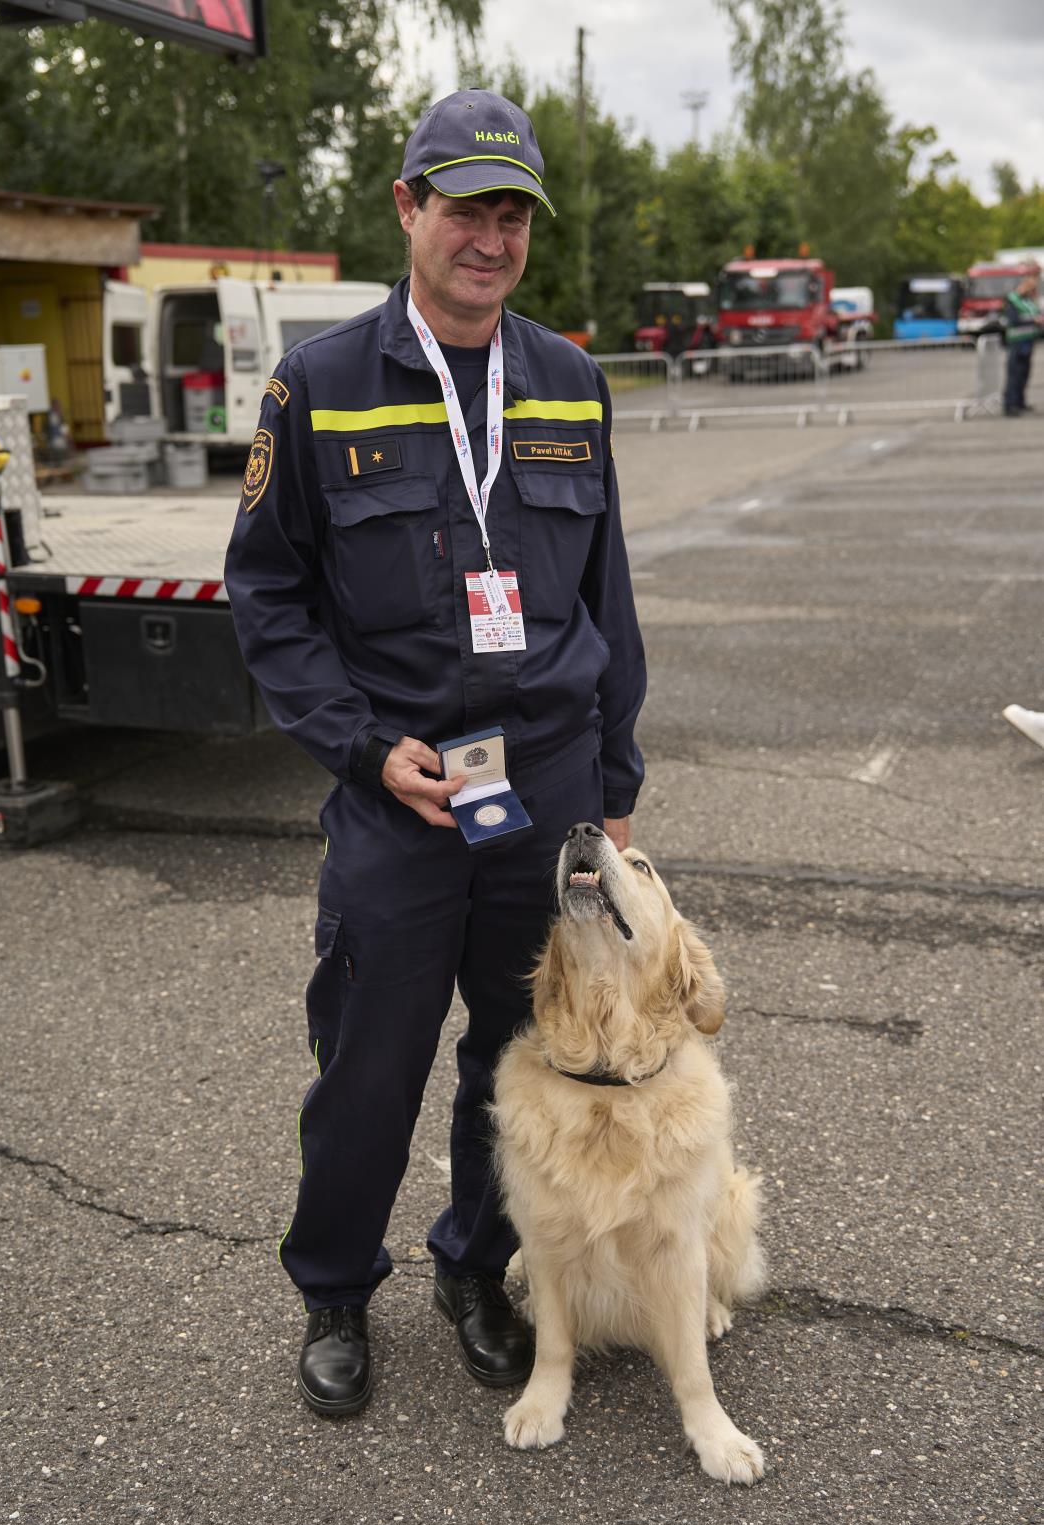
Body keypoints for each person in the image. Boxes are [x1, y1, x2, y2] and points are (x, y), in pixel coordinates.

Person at [224, 88, 646, 1417]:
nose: (489, 236)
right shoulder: (319, 387)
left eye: (511, 212)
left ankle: (476, 1265)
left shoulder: (570, 382)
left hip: (548, 780)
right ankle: (334, 1289)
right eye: (464, 206)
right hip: (403, 787)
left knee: (524, 1055)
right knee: (369, 1055)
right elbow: (269, 596)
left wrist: (615, 794)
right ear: (408, 207)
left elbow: (605, 598)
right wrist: (357, 747)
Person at [1002, 267, 1041, 417]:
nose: (1034, 294)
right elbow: (1014, 320)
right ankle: (1010, 405)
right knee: (1014, 374)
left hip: (1027, 342)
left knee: (1024, 374)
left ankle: (1020, 401)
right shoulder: (1013, 300)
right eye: (1033, 290)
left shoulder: (1027, 302)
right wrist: (1034, 320)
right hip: (1017, 342)